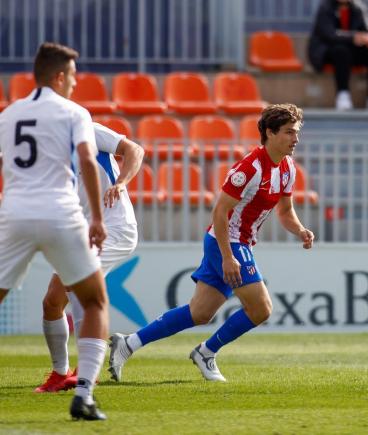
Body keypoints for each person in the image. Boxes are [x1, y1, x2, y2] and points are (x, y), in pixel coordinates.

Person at [108, 103, 315, 382]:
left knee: (200, 313)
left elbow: (285, 211)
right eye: (290, 132)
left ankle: (128, 343)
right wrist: (228, 256)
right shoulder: (249, 168)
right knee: (261, 309)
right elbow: (219, 211)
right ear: (270, 132)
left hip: (235, 244)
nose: (296, 139)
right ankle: (207, 352)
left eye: (297, 132)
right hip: (227, 242)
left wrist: (300, 230)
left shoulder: (287, 167)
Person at [0, 42, 109, 420]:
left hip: (14, 214)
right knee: (94, 301)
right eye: (74, 77)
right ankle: (84, 396)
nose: (76, 85)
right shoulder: (73, 112)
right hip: (61, 213)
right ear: (60, 76)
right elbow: (87, 161)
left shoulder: (9, 114)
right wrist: (96, 217)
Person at [34, 122, 144, 393]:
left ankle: (87, 372)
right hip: (83, 233)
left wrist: (121, 183)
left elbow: (134, 150)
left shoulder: (86, 129)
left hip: (115, 229)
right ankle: (60, 374)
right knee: (52, 302)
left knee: (76, 285)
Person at [308, 0, 368, 111]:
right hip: (327, 51)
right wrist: (353, 37)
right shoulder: (325, 7)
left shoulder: (358, 7)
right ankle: (343, 95)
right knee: (341, 52)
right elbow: (329, 34)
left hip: (352, 50)